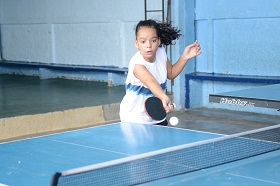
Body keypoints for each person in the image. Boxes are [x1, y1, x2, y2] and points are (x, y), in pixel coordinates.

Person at [120, 19, 201, 126]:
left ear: (159, 41)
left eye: (153, 40)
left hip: (156, 116)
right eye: (143, 41)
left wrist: (185, 57)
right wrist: (163, 97)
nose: (148, 45)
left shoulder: (161, 52)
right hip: (134, 119)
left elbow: (171, 73)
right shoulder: (137, 64)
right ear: (136, 43)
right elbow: (151, 82)